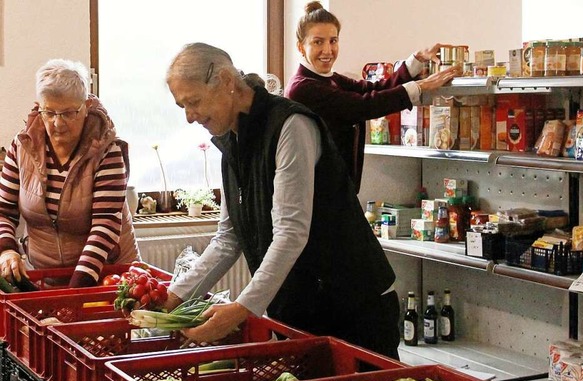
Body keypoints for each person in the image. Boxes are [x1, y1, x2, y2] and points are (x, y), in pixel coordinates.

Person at [165, 42, 401, 359]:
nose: (190, 117)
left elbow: (291, 233)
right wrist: (173, 297)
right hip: (299, 311)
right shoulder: (232, 142)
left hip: (349, 309)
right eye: (182, 107)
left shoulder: (291, 126)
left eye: (193, 102)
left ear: (225, 81)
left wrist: (242, 308)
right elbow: (228, 237)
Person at [285, 1, 461, 192]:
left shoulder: (329, 79)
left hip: (339, 192)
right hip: (318, 196)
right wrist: (420, 86)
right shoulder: (302, 87)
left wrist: (416, 61)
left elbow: (374, 88)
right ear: (301, 47)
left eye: (333, 41)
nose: (328, 50)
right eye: (318, 42)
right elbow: (362, 106)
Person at [0, 59, 139, 287]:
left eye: (68, 113)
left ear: (85, 107)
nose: (57, 123)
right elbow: (4, 211)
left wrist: (75, 292)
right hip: (47, 274)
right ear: (39, 107)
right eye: (50, 112)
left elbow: (104, 225)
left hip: (106, 274)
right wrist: (6, 250)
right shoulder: (21, 147)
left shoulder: (106, 150)